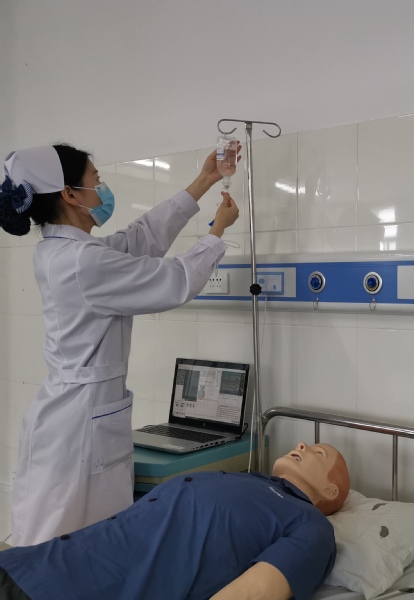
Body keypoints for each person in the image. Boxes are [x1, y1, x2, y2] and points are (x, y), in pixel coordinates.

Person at [0, 144, 241, 546]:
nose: (102, 188)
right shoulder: (81, 261)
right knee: (64, 546)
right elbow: (175, 281)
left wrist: (204, 180)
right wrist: (217, 232)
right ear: (69, 194)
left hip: (74, 412)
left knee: (70, 545)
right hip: (78, 425)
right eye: (96, 180)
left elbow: (139, 239)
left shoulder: (67, 251)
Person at [0, 442, 350, 600]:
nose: (302, 444)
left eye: (318, 452)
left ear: (330, 490)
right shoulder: (249, 481)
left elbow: (252, 593)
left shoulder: (312, 526)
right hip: (34, 563)